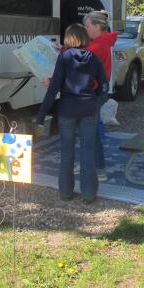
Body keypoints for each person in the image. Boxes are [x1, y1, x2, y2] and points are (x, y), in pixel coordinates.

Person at [35, 23, 108, 203]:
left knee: (67, 153)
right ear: (85, 38)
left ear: (68, 39)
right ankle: (89, 194)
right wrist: (95, 101)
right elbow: (105, 86)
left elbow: (54, 88)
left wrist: (41, 115)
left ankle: (66, 193)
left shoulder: (64, 58)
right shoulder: (93, 57)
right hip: (89, 109)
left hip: (67, 110)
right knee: (87, 152)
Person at [83, 11, 118, 181]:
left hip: (93, 93)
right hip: (99, 91)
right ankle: (89, 163)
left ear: (97, 26)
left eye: (87, 26)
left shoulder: (97, 46)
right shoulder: (100, 42)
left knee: (91, 132)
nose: (85, 29)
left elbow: (79, 65)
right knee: (87, 130)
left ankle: (99, 168)